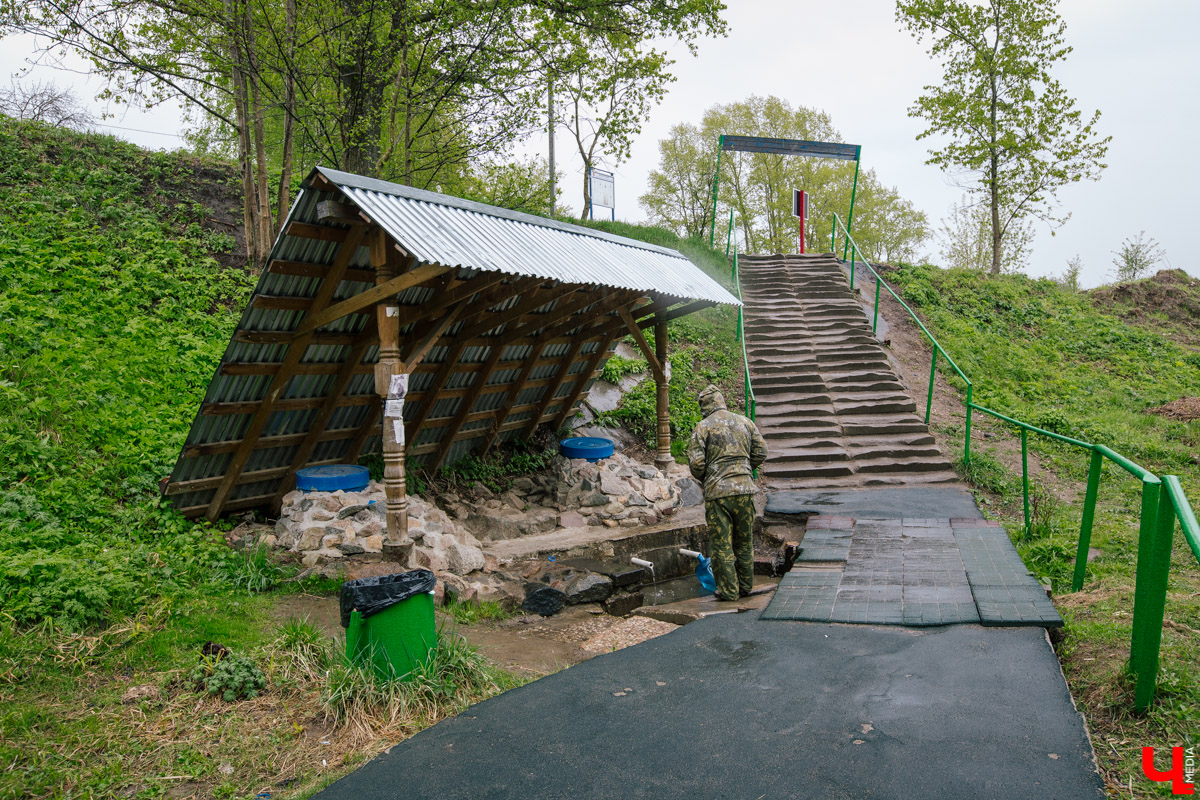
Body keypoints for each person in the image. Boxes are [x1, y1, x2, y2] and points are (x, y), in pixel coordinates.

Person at [687, 384, 768, 601]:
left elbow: (696, 463)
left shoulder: (702, 427)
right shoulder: (744, 422)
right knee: (744, 541)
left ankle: (728, 591)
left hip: (718, 494)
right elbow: (761, 450)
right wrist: (745, 469)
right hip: (745, 491)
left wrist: (708, 476)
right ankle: (745, 586)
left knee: (721, 543)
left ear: (704, 405)